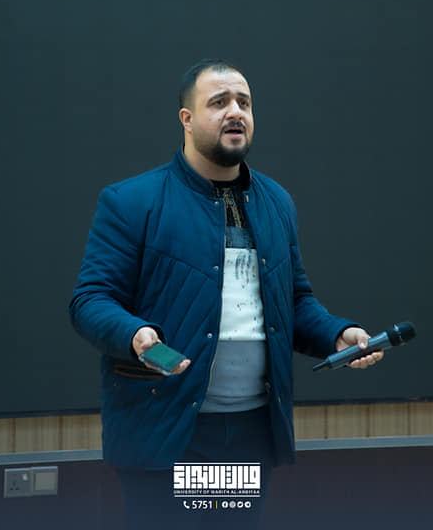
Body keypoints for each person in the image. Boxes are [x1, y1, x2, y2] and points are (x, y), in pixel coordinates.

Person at [69, 59, 382, 528]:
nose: (235, 112)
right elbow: (90, 300)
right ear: (187, 118)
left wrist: (338, 334)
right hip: (169, 430)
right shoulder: (132, 202)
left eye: (244, 103)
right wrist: (135, 334)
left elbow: (294, 302)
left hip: (248, 432)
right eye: (219, 102)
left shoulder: (276, 202)